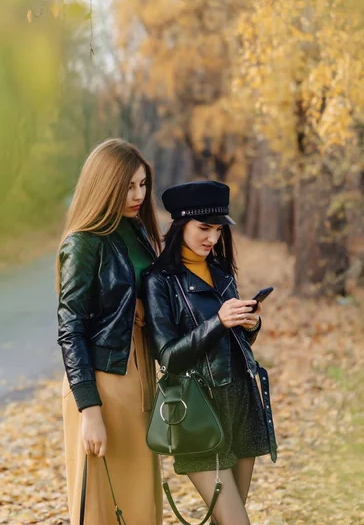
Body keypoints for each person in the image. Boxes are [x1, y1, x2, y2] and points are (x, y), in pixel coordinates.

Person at [143, 181, 277, 525]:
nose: (212, 239)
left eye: (218, 230)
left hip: (241, 403)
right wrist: (218, 322)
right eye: (204, 229)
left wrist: (248, 326)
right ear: (179, 225)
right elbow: (168, 356)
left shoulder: (219, 270)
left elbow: (234, 345)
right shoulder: (159, 280)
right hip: (198, 412)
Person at [57, 138, 163, 525]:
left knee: (141, 504)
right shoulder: (83, 243)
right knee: (104, 506)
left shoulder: (137, 233)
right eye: (128, 186)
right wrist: (89, 409)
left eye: (142, 184)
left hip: (141, 375)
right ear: (106, 185)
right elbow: (71, 328)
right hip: (104, 383)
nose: (138, 195)